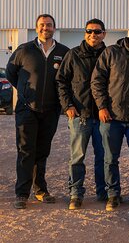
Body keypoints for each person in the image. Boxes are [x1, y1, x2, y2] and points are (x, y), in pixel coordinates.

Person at [6, 14, 70, 209]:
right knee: (26, 150)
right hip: (27, 110)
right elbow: (11, 73)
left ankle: (40, 190)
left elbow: (66, 79)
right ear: (36, 28)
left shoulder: (63, 52)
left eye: (49, 25)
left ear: (54, 28)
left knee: (42, 151)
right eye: (42, 25)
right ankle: (22, 193)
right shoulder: (24, 50)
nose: (45, 28)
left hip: (50, 111)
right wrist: (25, 92)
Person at [91, 17, 129, 210]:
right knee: (110, 159)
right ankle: (113, 194)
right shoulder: (111, 52)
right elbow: (97, 81)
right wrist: (102, 107)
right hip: (111, 118)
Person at [56, 18, 108, 209]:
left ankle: (103, 192)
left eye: (97, 31)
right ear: (85, 33)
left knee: (103, 158)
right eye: (89, 31)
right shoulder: (73, 55)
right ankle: (76, 193)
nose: (93, 35)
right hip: (80, 116)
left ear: (104, 34)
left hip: (103, 117)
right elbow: (61, 81)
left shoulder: (109, 54)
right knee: (77, 157)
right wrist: (67, 105)